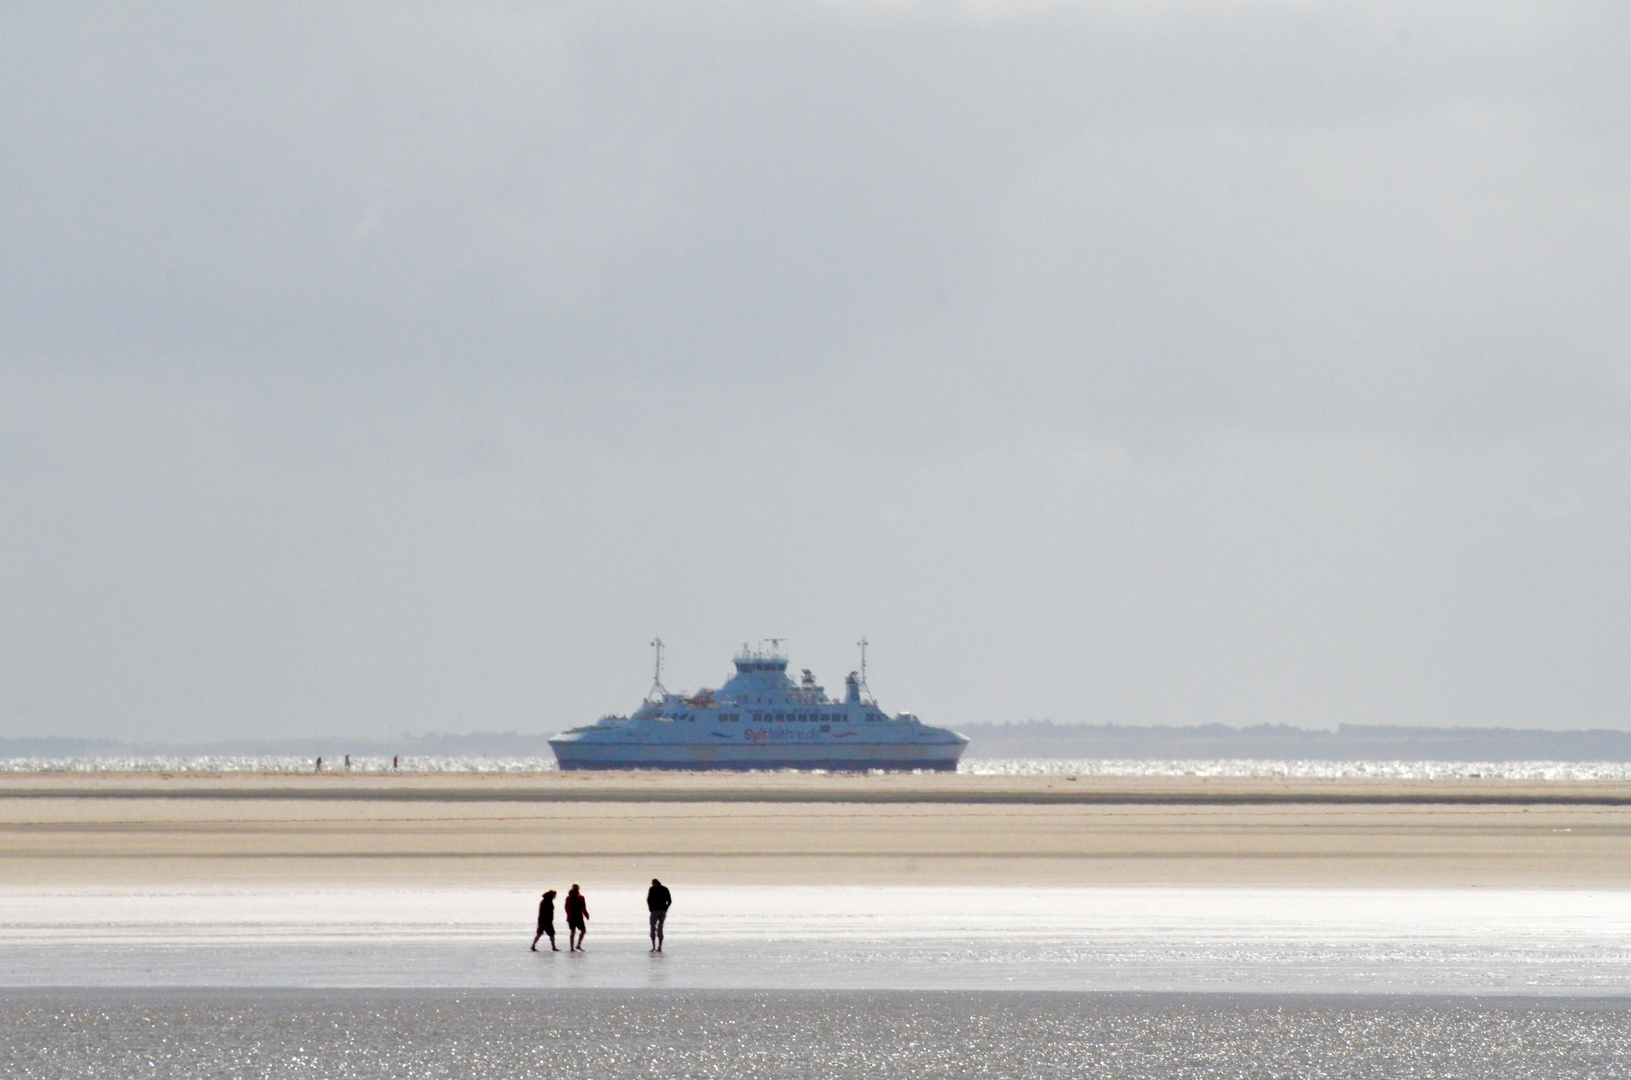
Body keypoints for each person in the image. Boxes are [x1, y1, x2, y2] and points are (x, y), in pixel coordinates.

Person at [646, 878, 672, 952]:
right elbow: (669, 901)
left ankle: (654, 946)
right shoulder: (665, 889)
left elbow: (648, 900)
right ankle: (660, 946)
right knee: (660, 927)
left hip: (654, 910)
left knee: (653, 927)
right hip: (662, 910)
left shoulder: (652, 889)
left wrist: (650, 908)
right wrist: (666, 908)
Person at [564, 884, 589, 951]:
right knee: (583, 931)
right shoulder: (580, 897)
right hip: (578, 916)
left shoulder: (568, 897)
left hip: (571, 917)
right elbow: (583, 907)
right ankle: (578, 945)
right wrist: (586, 914)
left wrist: (568, 915)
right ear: (578, 889)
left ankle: (572, 947)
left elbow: (566, 908)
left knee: (572, 932)